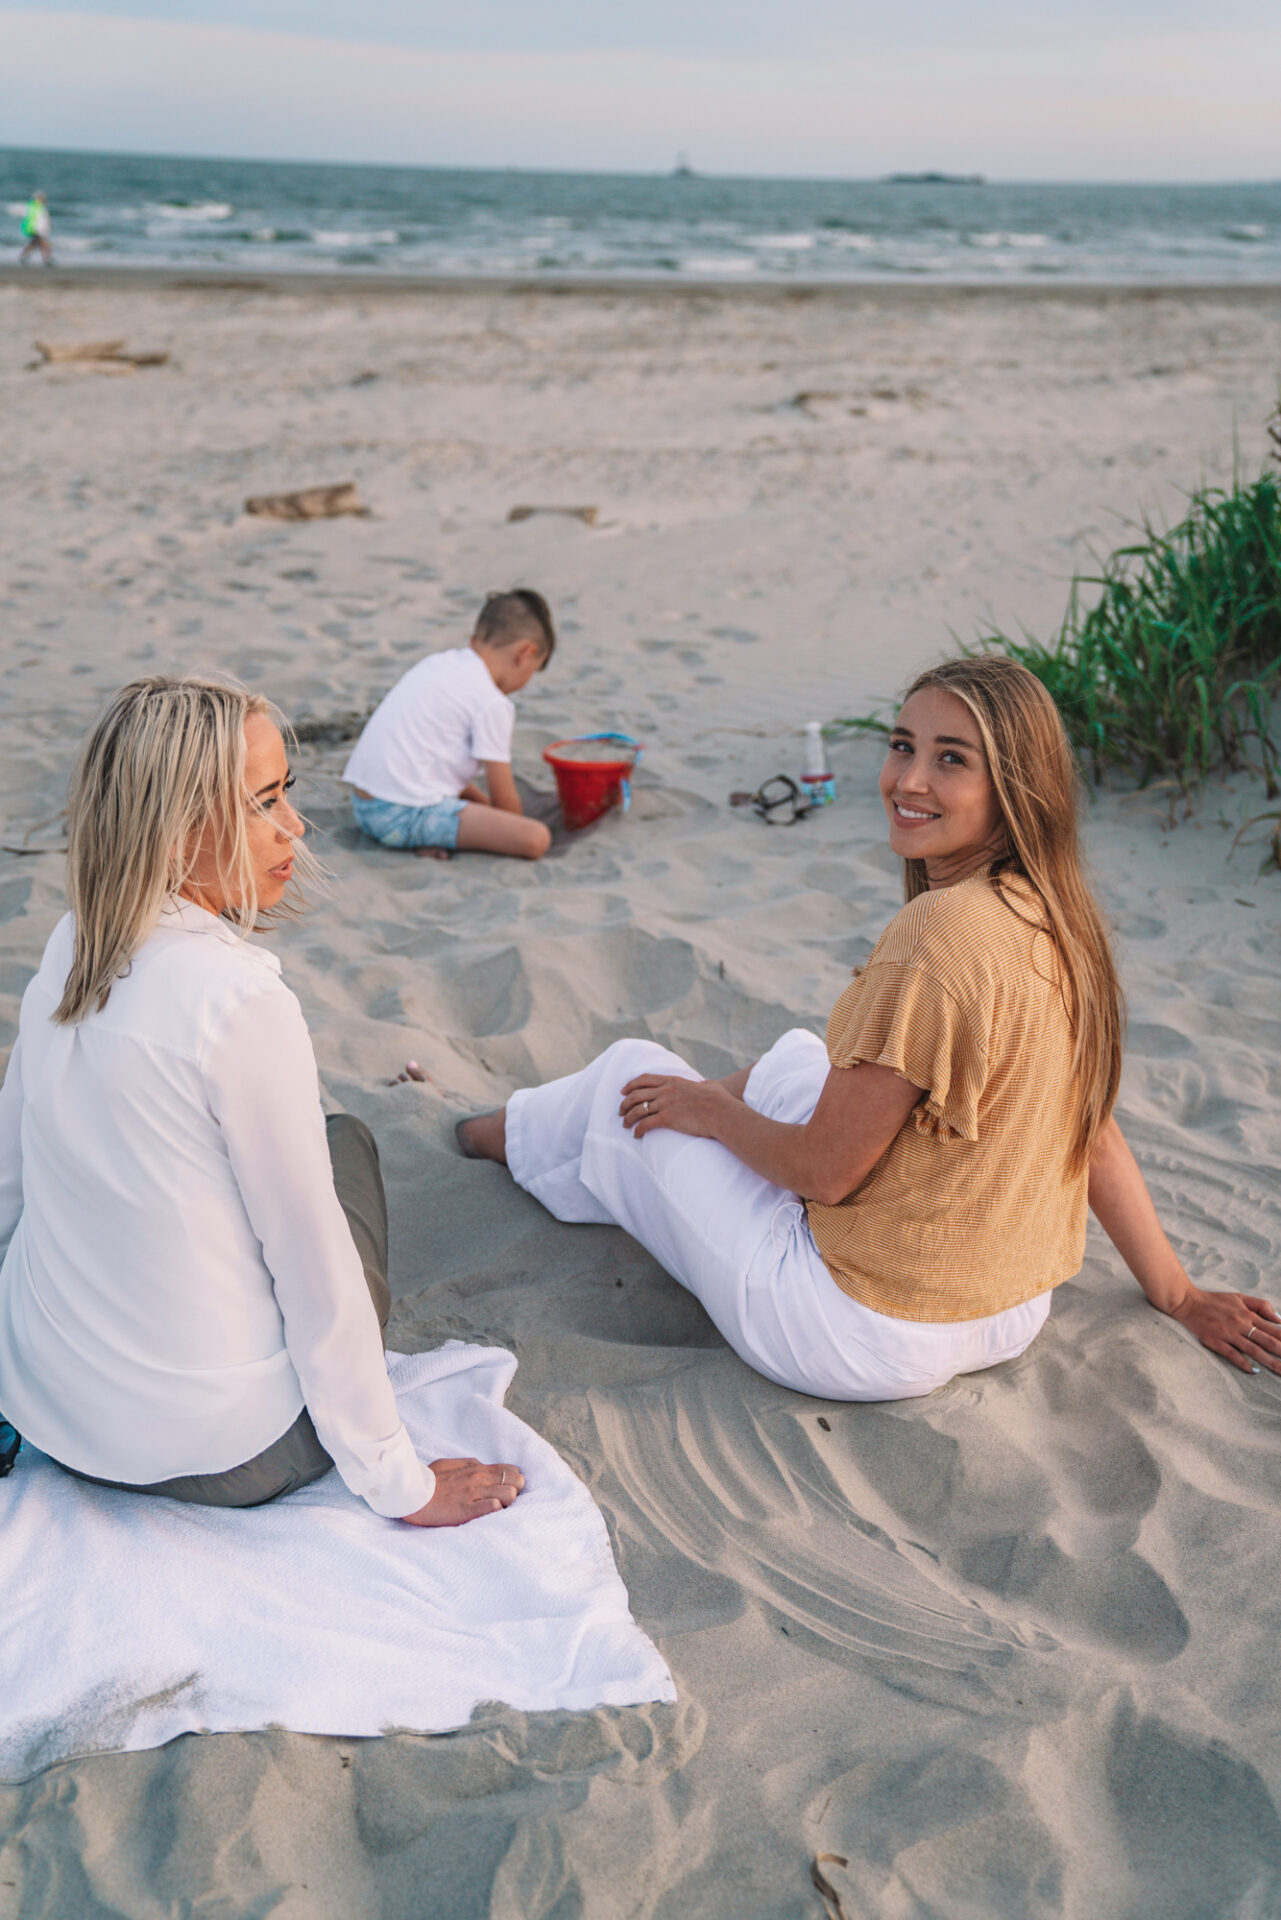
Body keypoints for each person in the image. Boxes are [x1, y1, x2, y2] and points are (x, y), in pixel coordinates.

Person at [458, 655, 1281, 1399]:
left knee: (630, 1074)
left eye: (950, 759)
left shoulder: (937, 934)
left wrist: (709, 1112)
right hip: (1010, 1308)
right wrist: (1175, 1292)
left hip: (854, 1328)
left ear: (1014, 787)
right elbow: (1091, 1131)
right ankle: (588, 1152)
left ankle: (488, 1135)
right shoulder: (1058, 916)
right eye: (901, 746)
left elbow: (824, 1175)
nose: (907, 780)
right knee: (795, 1057)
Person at [0, 676, 524, 1523]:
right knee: (344, 1143)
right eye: (264, 802)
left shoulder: (72, 941)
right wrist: (402, 1482)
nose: (295, 827)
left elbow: (9, 1175)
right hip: (221, 1455)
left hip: (54, 1413)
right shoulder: (238, 1003)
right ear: (177, 833)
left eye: (287, 795)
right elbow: (315, 1270)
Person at [343, 590, 555, 862]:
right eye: (532, 671)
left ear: (475, 639)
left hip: (365, 807)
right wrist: (508, 828)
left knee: (475, 809)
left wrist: (483, 812)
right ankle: (423, 834)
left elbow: (441, 770)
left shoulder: (439, 664)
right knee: (536, 838)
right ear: (526, 653)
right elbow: (505, 800)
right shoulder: (492, 701)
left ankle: (430, 833)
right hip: (399, 816)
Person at [19, 191, 52, 266]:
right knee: (43, 243)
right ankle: (46, 259)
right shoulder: (35, 206)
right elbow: (37, 219)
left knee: (35, 244)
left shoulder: (34, 206)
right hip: (35, 229)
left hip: (35, 229)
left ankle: (24, 256)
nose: (44, 199)